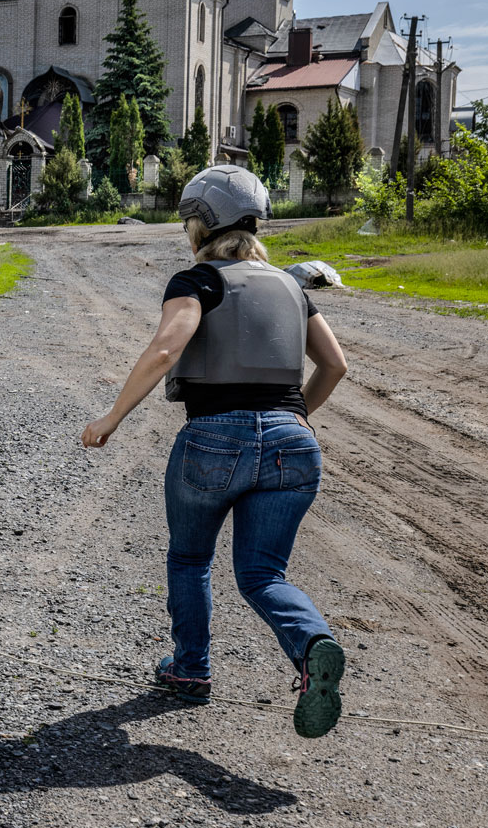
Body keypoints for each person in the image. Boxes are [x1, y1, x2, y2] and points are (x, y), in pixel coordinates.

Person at [81, 164, 351, 739]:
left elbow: (163, 349)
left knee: (189, 560)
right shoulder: (292, 286)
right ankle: (312, 644)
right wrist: (292, 417)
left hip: (212, 438)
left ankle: (191, 670)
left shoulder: (197, 281)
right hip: (293, 443)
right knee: (261, 573)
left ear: (201, 224)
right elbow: (335, 365)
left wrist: (112, 417)